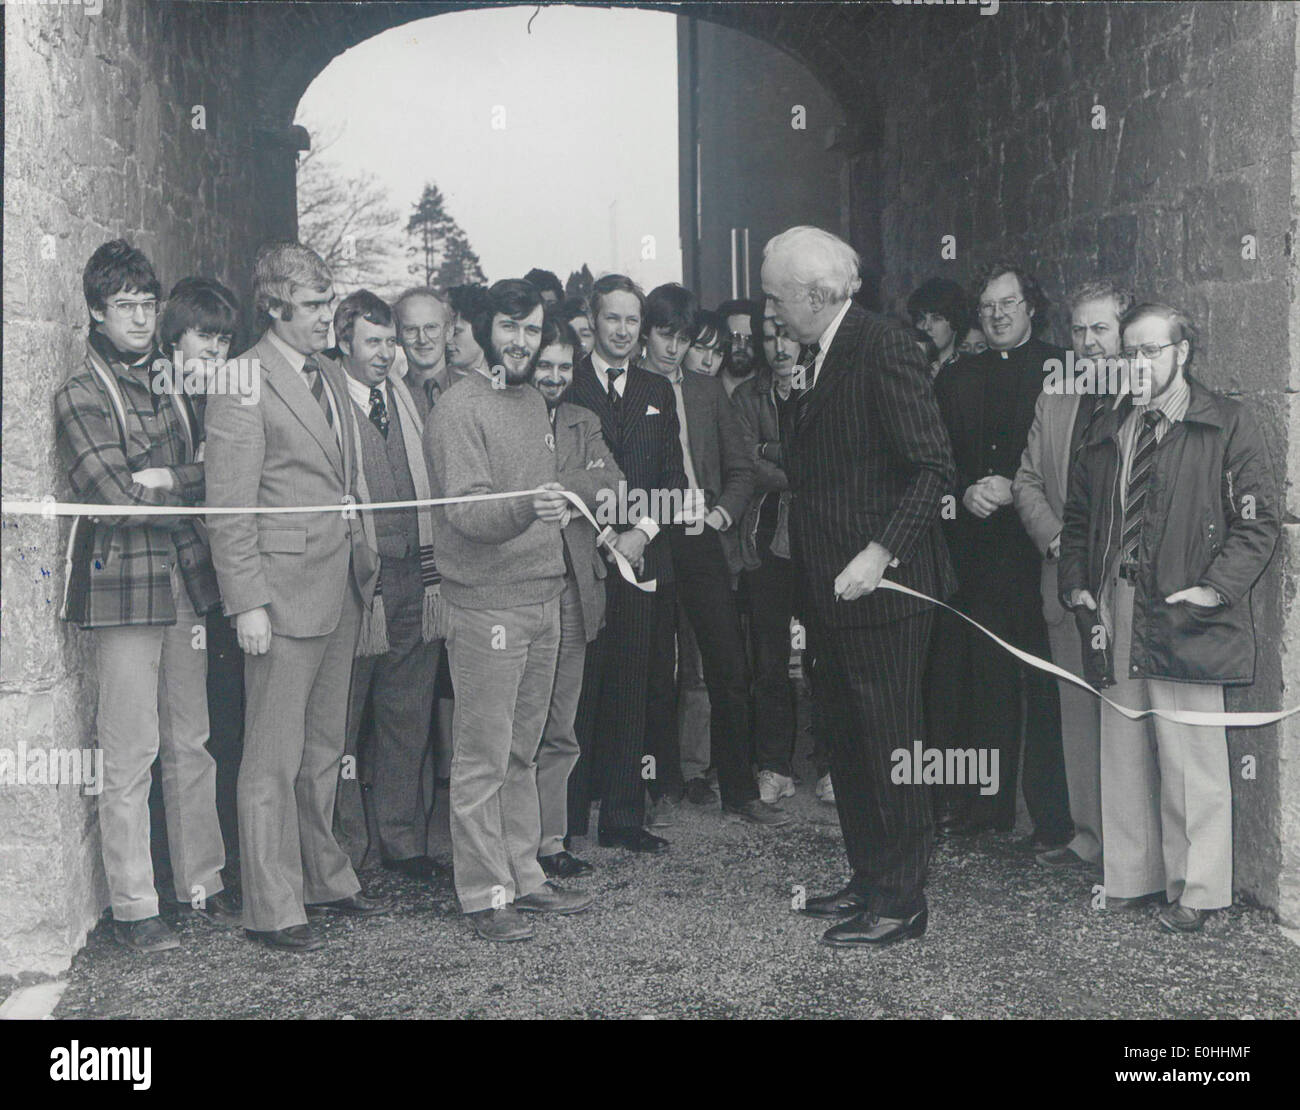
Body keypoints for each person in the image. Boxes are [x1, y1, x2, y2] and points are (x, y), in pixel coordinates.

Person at [763, 226, 956, 947]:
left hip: (885, 593)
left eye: (778, 298)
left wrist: (880, 552)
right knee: (846, 741)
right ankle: (871, 878)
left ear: (816, 294)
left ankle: (903, 903)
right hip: (831, 593)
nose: (773, 313)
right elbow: (826, 464)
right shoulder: (821, 354)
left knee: (889, 743)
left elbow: (933, 466)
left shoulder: (884, 345)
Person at [1060, 302, 1279, 933]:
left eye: (1152, 351)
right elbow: (1078, 521)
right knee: (1123, 740)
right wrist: (1078, 585)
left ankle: (1200, 889)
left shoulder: (1226, 423)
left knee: (1191, 751)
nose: (1138, 363)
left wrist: (1216, 590)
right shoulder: (1108, 426)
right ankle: (1131, 878)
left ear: (1183, 353)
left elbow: (1258, 520)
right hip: (1118, 602)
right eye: (1131, 351)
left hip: (1187, 606)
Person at [205, 241, 388, 953]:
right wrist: (246, 602)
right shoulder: (241, 380)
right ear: (276, 307)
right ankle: (272, 906)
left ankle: (322, 877)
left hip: (338, 586)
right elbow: (228, 506)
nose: (327, 316)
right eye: (313, 305)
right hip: (280, 598)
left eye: (327, 301)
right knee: (271, 756)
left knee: (323, 748)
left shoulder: (328, 375)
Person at [54, 242, 236, 954]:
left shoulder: (170, 384)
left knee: (191, 741)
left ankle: (202, 884)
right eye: (123, 305)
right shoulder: (79, 392)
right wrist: (167, 482)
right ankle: (134, 907)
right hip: (121, 590)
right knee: (130, 753)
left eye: (146, 304)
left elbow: (211, 470)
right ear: (97, 311)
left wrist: (172, 478)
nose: (137, 317)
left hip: (183, 584)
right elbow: (116, 499)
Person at [426, 278, 593, 942]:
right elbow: (464, 511)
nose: (521, 341)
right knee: (482, 756)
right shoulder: (458, 408)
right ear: (478, 329)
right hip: (486, 607)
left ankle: (524, 876)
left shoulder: (529, 402)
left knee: (522, 752)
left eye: (531, 328)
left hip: (542, 596)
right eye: (509, 327)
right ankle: (481, 892)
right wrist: (529, 504)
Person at [930, 261, 1072, 849]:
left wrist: (1015, 486)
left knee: (1043, 682)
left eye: (1008, 303)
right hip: (976, 548)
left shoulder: (1061, 369)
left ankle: (1052, 819)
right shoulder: (955, 377)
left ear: (1030, 307)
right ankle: (984, 809)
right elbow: (933, 453)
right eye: (987, 306)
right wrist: (964, 489)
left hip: (1036, 548)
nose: (997, 315)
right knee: (982, 680)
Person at [642, 286, 782, 827]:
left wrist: (722, 515)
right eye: (666, 336)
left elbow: (742, 468)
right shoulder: (631, 389)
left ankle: (740, 790)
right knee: (657, 667)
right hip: (652, 536)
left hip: (702, 537)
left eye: (684, 338)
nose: (674, 348)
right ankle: (659, 786)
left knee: (728, 663)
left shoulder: (706, 393)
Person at [1013, 279, 1133, 873]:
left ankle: (1135, 852)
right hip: (1064, 577)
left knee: (1128, 709)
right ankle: (1088, 836)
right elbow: (1027, 479)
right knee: (1077, 708)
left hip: (1125, 585)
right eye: (1080, 331)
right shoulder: (1054, 398)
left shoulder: (1147, 398)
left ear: (1125, 332)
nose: (1089, 344)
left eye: (1101, 329)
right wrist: (1059, 539)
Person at [565, 274, 688, 853]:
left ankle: (621, 817)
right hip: (580, 559)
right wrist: (601, 533)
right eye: (612, 318)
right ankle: (563, 827)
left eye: (632, 320)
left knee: (632, 685)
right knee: (576, 690)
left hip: (641, 560)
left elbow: (674, 481)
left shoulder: (656, 390)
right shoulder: (565, 383)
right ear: (593, 320)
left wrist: (640, 533)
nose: (622, 330)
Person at [330, 291, 444, 881]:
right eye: (373, 341)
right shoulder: (322, 399)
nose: (386, 353)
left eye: (389, 341)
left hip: (416, 580)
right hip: (354, 586)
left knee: (408, 714)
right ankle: (346, 853)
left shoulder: (408, 396)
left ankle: (403, 840)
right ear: (344, 339)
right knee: (342, 723)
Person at [530, 314, 625, 878]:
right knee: (519, 728)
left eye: (565, 367)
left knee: (561, 725)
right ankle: (509, 845)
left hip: (572, 588)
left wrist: (566, 487)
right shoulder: (506, 413)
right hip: (516, 590)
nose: (555, 376)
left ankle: (550, 840)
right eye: (545, 364)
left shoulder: (582, 419)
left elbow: (614, 484)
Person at [157, 277, 245, 865]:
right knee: (182, 733)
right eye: (204, 337)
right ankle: (195, 878)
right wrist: (207, 472)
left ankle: (216, 866)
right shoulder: (155, 392)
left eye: (224, 340)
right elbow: (152, 478)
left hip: (212, 578)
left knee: (215, 726)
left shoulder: (217, 396)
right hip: (169, 578)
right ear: (174, 337)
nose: (216, 351)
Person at [731, 301, 804, 803]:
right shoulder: (745, 396)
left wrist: (770, 451)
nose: (779, 347)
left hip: (820, 542)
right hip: (763, 542)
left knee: (828, 660)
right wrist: (787, 460)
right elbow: (742, 463)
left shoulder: (826, 387)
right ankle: (775, 766)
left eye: (788, 335)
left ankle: (831, 765)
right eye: (769, 337)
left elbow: (832, 460)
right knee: (769, 662)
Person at [393, 286, 452, 418]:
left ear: (448, 332)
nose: (422, 339)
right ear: (397, 336)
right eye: (411, 329)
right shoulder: (389, 397)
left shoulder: (476, 392)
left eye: (431, 327)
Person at [906, 277, 972, 378]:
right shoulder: (907, 367)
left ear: (956, 322)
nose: (926, 326)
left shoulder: (969, 370)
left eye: (936, 318)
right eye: (921, 318)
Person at [441, 284, 491, 389]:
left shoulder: (505, 379)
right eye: (444, 333)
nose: (447, 340)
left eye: (456, 332)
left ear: (482, 330)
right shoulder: (438, 384)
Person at [718, 298, 759, 396]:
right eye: (736, 337)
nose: (742, 346)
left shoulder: (770, 392)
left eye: (750, 339)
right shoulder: (707, 385)